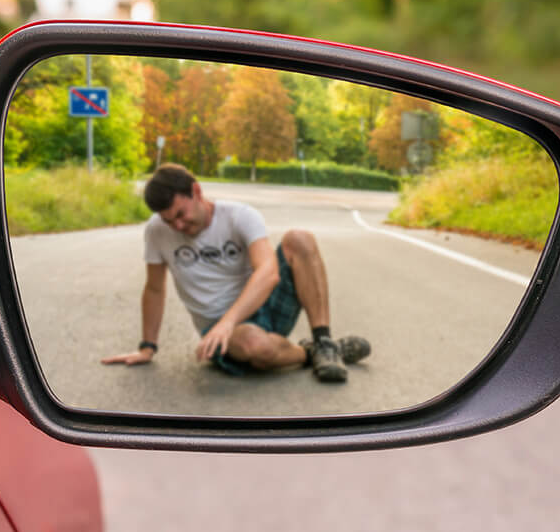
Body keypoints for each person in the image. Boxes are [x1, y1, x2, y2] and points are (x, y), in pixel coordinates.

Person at [101, 163, 369, 382]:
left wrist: (228, 320)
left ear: (196, 191)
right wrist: (147, 347)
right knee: (254, 345)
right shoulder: (157, 231)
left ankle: (323, 340)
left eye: (181, 214)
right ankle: (312, 353)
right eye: (169, 221)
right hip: (222, 329)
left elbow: (268, 271)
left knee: (299, 239)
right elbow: (155, 289)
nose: (178, 226)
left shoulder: (239, 216)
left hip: (262, 306)